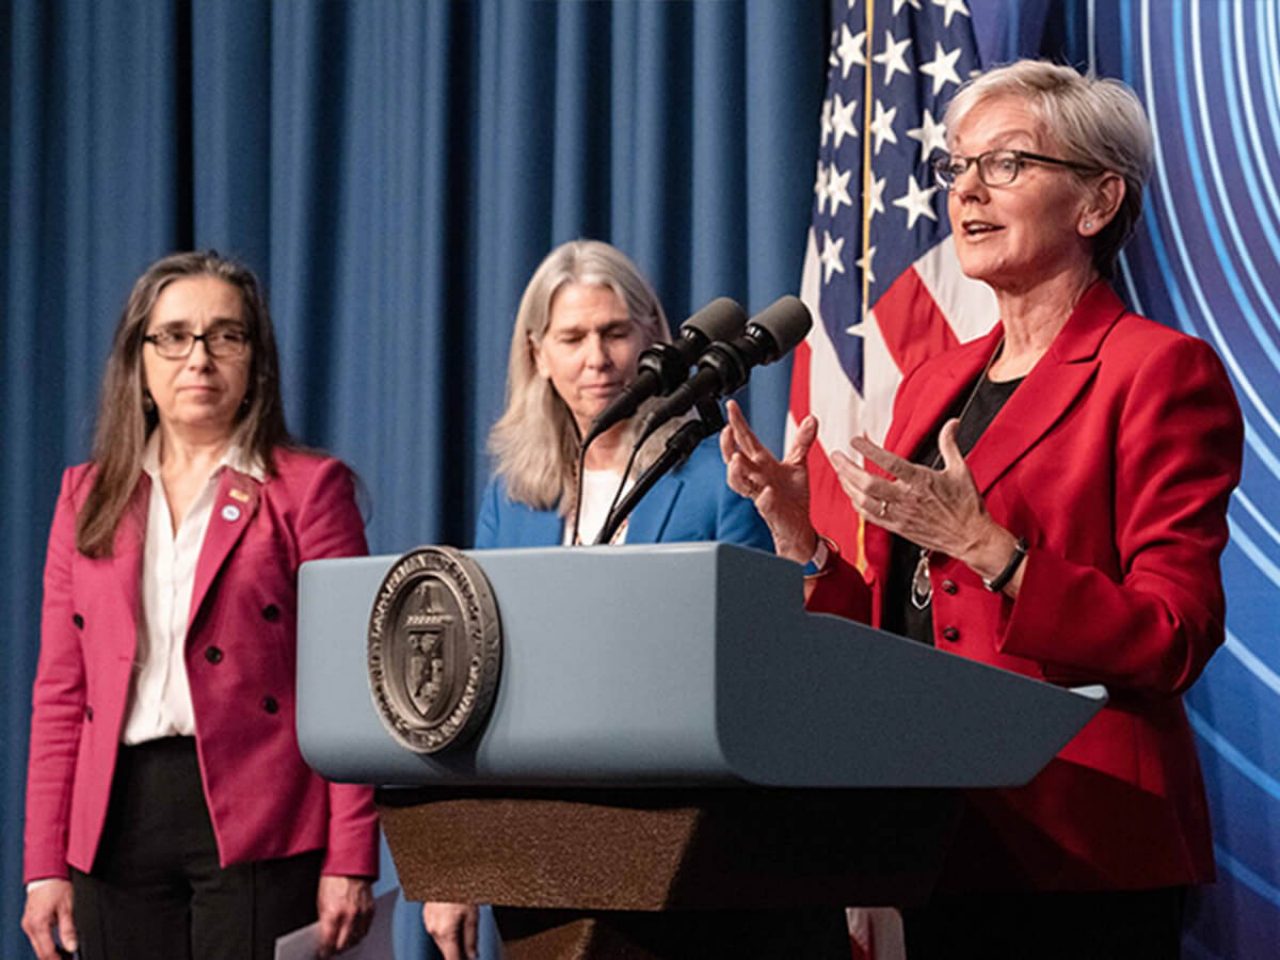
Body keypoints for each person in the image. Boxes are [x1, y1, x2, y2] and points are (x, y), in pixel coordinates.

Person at [720, 61, 1243, 959]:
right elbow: (900, 629)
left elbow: (1175, 633)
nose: (967, 189)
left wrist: (997, 553)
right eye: (958, 167)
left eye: (1005, 164)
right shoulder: (934, 380)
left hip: (1083, 844)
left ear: (1097, 200)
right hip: (937, 834)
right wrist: (801, 536)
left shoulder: (1157, 371)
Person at [21, 251, 379, 960]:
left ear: (255, 362)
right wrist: (41, 865)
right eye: (175, 336)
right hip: (115, 821)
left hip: (263, 816)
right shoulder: (84, 498)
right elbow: (62, 693)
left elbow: (353, 683)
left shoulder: (309, 491)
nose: (200, 358)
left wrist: (351, 855)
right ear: (140, 362)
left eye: (226, 336)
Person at [423, 239, 773, 960]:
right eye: (573, 338)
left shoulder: (720, 478)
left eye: (616, 333)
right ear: (537, 354)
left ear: (653, 335)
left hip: (683, 840)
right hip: (537, 845)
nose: (598, 359)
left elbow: (759, 665)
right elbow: (480, 684)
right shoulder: (514, 496)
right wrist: (455, 861)